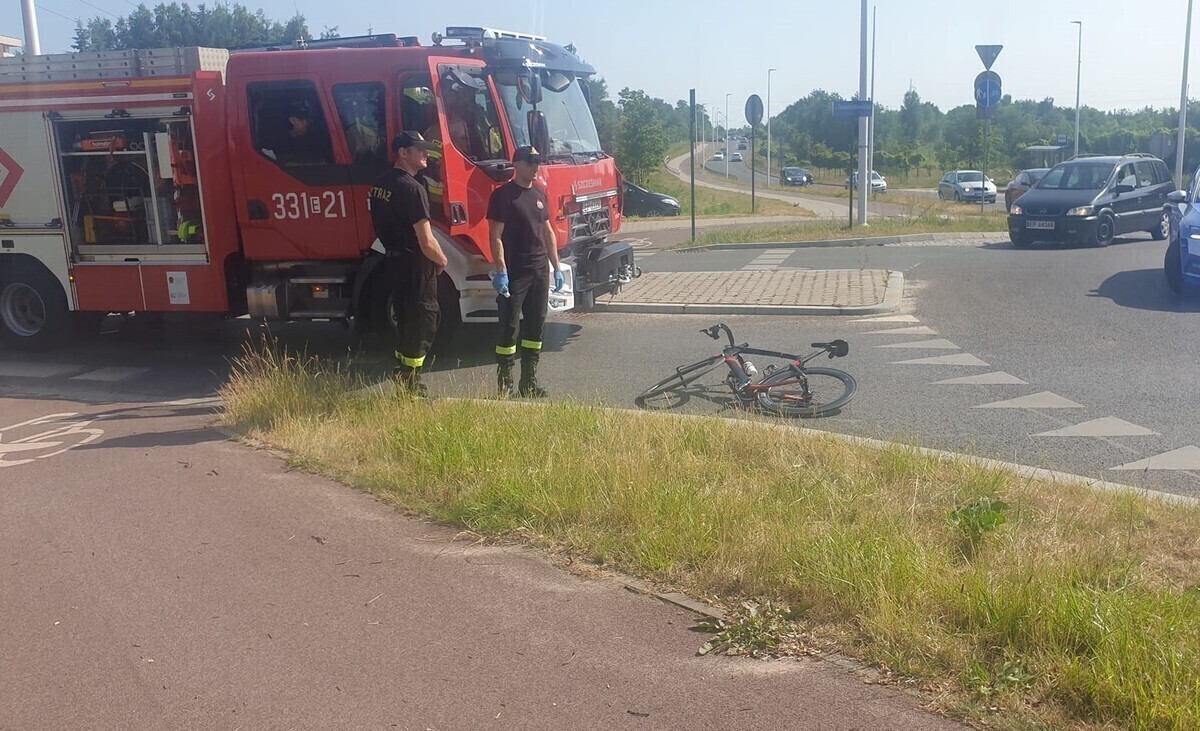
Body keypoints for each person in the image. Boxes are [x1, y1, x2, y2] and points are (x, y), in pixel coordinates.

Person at [367, 131, 449, 397]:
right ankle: (410, 381)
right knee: (423, 320)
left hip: (392, 260)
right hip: (415, 264)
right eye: (419, 149)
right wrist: (441, 260)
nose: (426, 154)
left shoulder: (380, 183)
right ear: (403, 153)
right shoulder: (413, 189)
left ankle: (403, 373)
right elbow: (426, 240)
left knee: (404, 318)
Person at [487, 145, 565, 398]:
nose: (535, 167)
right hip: (515, 271)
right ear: (517, 164)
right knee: (509, 326)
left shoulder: (539, 193)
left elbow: (548, 232)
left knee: (535, 326)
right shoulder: (503, 196)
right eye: (530, 162)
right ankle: (505, 383)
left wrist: (556, 267)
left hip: (539, 270)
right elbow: (495, 236)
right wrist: (501, 270)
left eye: (537, 162)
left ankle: (528, 382)